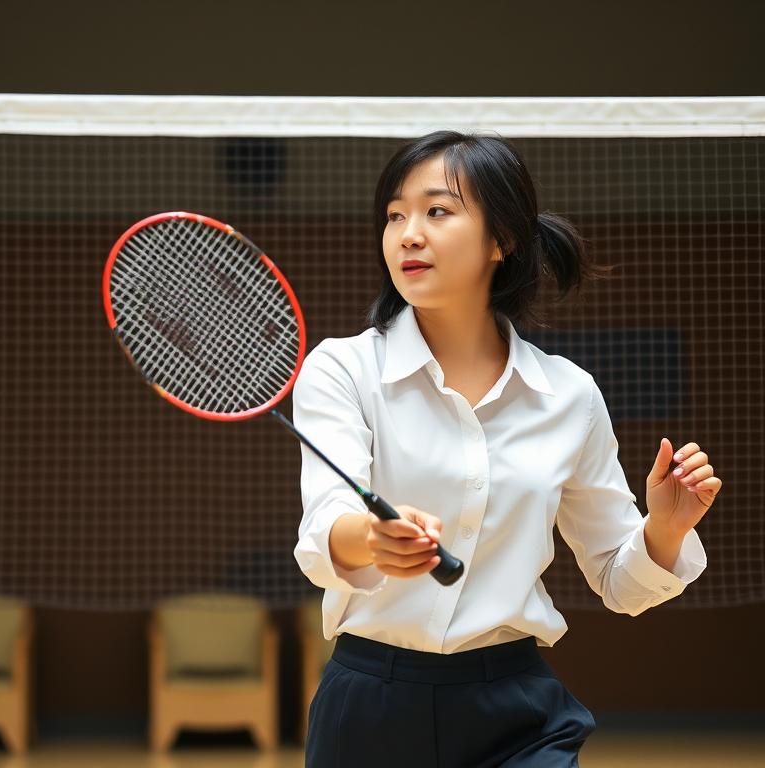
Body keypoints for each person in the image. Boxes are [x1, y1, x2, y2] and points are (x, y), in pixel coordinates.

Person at [292, 130, 721, 767]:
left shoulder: (567, 395)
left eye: (437, 211)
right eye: (394, 215)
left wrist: (664, 528)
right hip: (369, 709)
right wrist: (370, 538)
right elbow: (323, 526)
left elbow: (620, 583)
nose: (409, 233)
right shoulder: (343, 370)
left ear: (502, 240)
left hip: (516, 713)